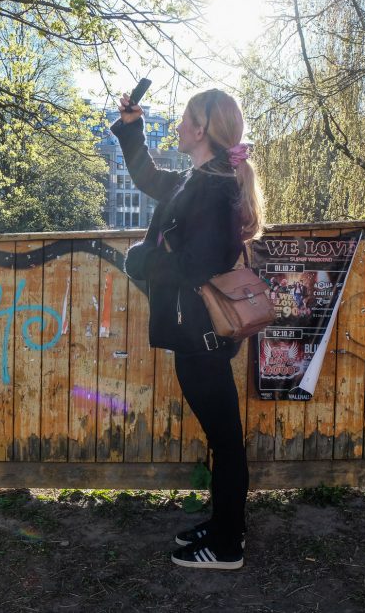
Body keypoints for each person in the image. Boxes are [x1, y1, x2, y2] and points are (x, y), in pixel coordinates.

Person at [111, 88, 265, 570]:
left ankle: (226, 546)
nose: (175, 126)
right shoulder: (195, 181)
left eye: (182, 120)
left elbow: (202, 263)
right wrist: (131, 126)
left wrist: (139, 257)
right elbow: (148, 176)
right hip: (195, 333)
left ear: (200, 130)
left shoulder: (215, 189)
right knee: (223, 439)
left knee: (226, 441)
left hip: (203, 337)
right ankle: (224, 526)